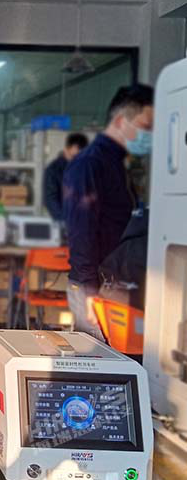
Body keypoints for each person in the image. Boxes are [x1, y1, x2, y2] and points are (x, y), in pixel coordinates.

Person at [63, 84, 154, 339]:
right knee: (100, 357)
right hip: (96, 287)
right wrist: (89, 289)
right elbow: (81, 230)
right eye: (146, 126)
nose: (150, 135)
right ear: (121, 121)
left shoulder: (115, 164)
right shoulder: (89, 164)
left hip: (115, 283)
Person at [43, 132, 89, 221]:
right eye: (73, 156)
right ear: (66, 150)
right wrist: (64, 220)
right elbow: (50, 199)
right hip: (65, 220)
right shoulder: (53, 170)